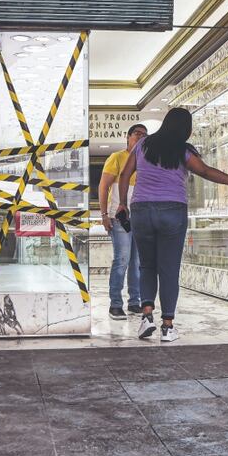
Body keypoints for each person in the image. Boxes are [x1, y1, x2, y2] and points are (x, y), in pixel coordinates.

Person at [115, 107, 228, 342]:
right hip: (172, 210)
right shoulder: (182, 150)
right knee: (168, 269)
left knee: (147, 266)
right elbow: (204, 171)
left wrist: (122, 204)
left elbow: (125, 174)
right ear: (186, 129)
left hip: (141, 210)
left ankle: (147, 316)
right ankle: (168, 326)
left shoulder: (143, 145)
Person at [98, 123, 147, 319]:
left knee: (137, 262)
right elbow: (103, 186)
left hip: (141, 217)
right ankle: (115, 304)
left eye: (144, 134)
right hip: (120, 217)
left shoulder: (145, 160)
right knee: (122, 260)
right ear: (128, 137)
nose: (141, 136)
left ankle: (134, 302)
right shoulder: (117, 158)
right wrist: (103, 215)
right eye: (137, 133)